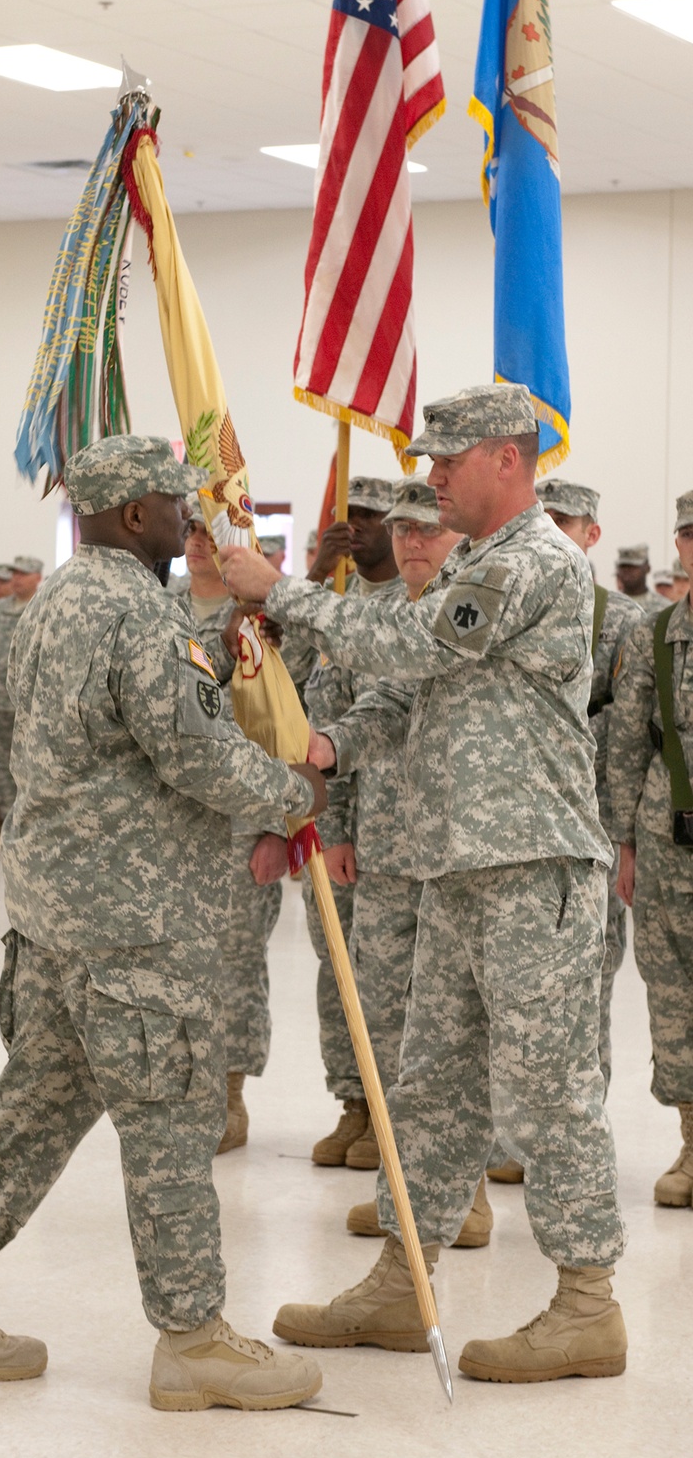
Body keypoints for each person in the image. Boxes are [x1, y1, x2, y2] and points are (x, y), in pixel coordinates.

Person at [0, 434, 327, 1411]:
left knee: (34, 1105)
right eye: (175, 503)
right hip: (133, 930)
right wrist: (292, 791)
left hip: (53, 916)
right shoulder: (132, 612)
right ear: (134, 515)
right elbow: (196, 753)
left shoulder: (51, 608)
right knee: (171, 1117)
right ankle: (194, 1336)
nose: (188, 519)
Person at [220, 384, 627, 1386]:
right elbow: (402, 698)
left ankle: (587, 1306)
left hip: (532, 866)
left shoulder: (533, 561)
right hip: (455, 865)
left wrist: (280, 590)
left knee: (550, 1091)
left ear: (505, 458)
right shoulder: (479, 562)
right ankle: (405, 1282)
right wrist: (327, 741)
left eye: (447, 459)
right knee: (432, 1085)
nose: (432, 475)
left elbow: (410, 643)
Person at [308, 482, 493, 1248]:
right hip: (386, 855)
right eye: (405, 529)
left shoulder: (472, 610)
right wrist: (339, 820)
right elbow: (353, 721)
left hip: (456, 854)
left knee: (451, 1033)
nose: (415, 541)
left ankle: (466, 1197)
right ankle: (409, 1190)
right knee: (384, 1023)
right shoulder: (375, 618)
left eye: (429, 528)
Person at [175, 496, 288, 1152]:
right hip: (170, 824)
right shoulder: (157, 611)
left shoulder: (262, 622)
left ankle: (229, 1096)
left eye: (208, 531)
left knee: (235, 967)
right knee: (175, 965)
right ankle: (185, 1092)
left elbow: (282, 729)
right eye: (188, 529)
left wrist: (277, 825)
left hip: (243, 819)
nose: (196, 542)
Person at [537, 478, 644, 1094]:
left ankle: (582, 1120)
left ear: (591, 534)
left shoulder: (627, 622)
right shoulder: (520, 606)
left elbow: (631, 735)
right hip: (526, 825)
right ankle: (513, 1132)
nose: (552, 529)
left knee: (590, 980)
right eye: (544, 516)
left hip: (593, 835)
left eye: (566, 521)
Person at [304, 476, 398, 1171]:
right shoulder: (332, 610)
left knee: (393, 981)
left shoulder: (412, 613)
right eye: (349, 517)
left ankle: (391, 1114)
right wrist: (332, 829)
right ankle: (354, 1104)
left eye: (372, 517)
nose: (358, 527)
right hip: (335, 825)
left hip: (399, 830)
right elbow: (290, 693)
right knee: (336, 970)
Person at [609, 490, 693, 1209]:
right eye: (691, 535)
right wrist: (625, 843)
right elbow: (627, 744)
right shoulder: (654, 637)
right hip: (667, 847)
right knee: (672, 1001)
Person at [0, 555, 44, 847]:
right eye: (14, 573)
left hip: (29, 706)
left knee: (30, 768)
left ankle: (28, 827)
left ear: (37, 577)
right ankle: (6, 823)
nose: (17, 579)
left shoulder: (44, 607)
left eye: (24, 574)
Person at [615, 544, 660, 611]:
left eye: (633, 567)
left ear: (647, 568)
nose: (627, 571)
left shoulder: (662, 606)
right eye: (623, 567)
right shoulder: (610, 604)